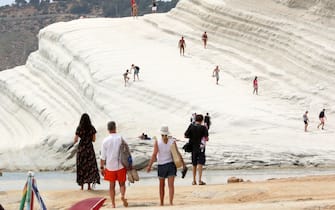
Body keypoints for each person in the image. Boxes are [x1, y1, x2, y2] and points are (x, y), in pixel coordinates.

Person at [147, 125, 187, 206]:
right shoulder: (172, 141)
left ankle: (161, 203)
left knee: (161, 186)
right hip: (171, 165)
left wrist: (149, 166)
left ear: (161, 133)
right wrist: (183, 164)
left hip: (161, 166)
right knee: (171, 185)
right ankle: (171, 202)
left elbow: (154, 155)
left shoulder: (158, 142)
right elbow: (177, 153)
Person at [100, 121, 128, 208]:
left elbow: (103, 157)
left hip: (110, 166)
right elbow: (126, 151)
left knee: (112, 186)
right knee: (122, 184)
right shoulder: (120, 138)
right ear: (115, 128)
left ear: (108, 129)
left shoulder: (105, 141)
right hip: (121, 165)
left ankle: (113, 204)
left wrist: (101, 167)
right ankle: (122, 196)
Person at [73, 113, 100, 190]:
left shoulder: (79, 128)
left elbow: (75, 140)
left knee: (82, 166)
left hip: (81, 149)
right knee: (89, 167)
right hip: (89, 148)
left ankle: (81, 186)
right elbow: (94, 140)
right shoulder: (91, 128)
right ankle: (89, 186)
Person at [184, 114, 208, 185]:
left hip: (193, 147)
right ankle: (200, 180)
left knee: (194, 164)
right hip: (201, 147)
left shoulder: (191, 126)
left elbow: (185, 135)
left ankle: (194, 180)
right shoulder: (204, 127)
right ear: (202, 120)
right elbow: (206, 138)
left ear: (195, 120)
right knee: (200, 163)